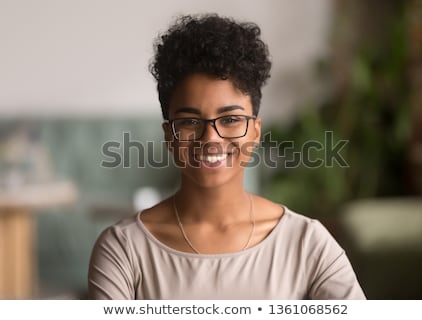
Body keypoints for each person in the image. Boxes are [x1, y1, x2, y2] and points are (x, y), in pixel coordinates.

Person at [88, 13, 365, 300]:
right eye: (190, 121)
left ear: (255, 132)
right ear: (169, 136)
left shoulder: (306, 244)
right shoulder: (123, 250)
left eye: (230, 119)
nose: (211, 139)